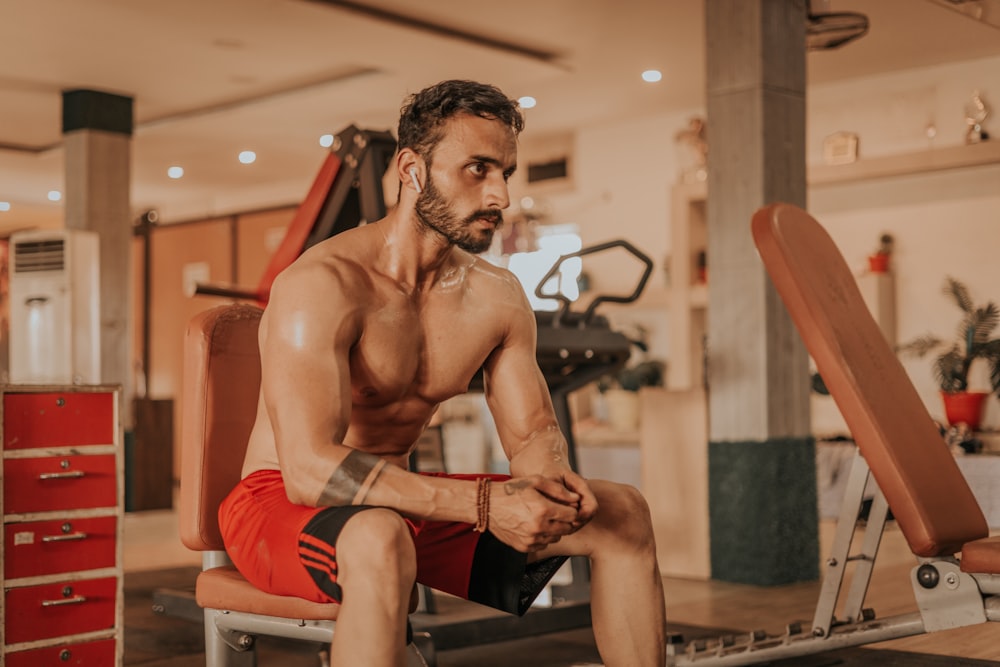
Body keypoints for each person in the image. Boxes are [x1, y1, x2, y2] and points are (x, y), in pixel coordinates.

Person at [219, 79, 666, 666]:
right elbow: (307, 471)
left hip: (401, 505)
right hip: (282, 505)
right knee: (379, 538)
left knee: (621, 513)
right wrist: (487, 508)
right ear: (412, 169)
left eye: (506, 172)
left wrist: (548, 486)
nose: (500, 195)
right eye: (477, 169)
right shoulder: (321, 285)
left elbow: (532, 435)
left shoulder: (497, 296)